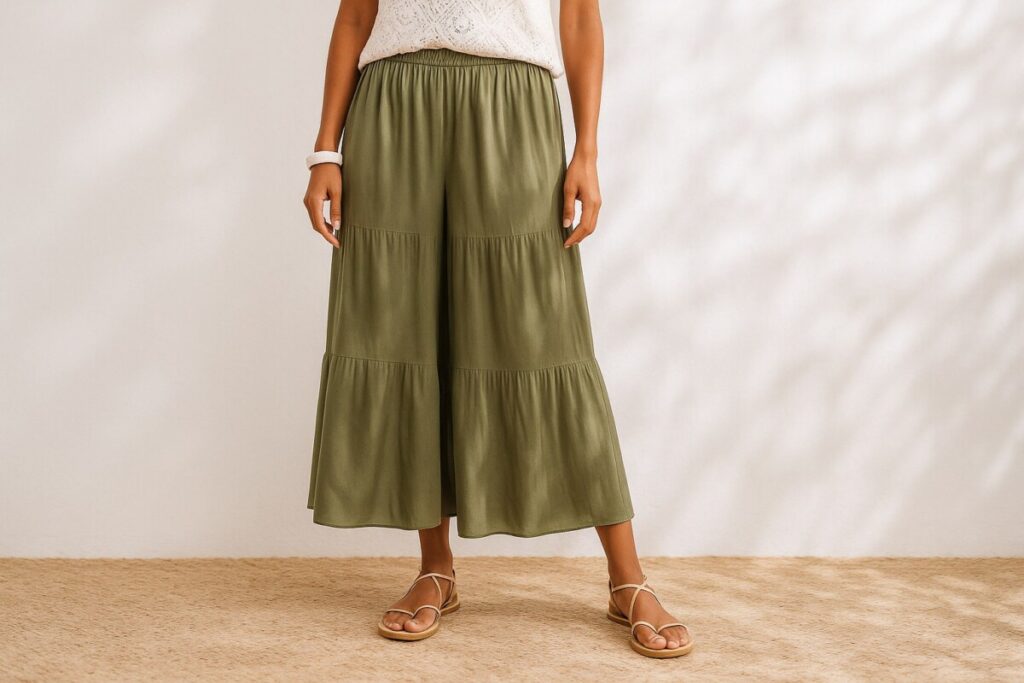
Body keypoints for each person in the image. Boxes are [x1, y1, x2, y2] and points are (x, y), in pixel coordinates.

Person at [302, 0, 693, 658]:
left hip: (512, 109)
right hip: (392, 110)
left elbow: (579, 18)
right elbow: (355, 16)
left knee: (546, 336)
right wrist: (325, 151)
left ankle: (627, 577)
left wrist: (587, 151)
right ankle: (435, 569)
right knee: (405, 331)